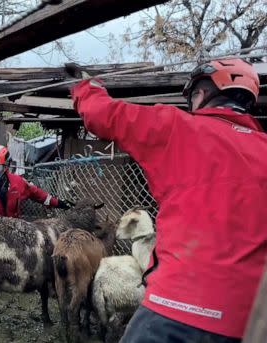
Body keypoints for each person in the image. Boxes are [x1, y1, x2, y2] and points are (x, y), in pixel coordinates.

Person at [69, 58, 267, 342]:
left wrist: (86, 87)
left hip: (175, 309)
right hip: (245, 323)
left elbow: (104, 114)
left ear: (202, 94)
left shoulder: (178, 127)